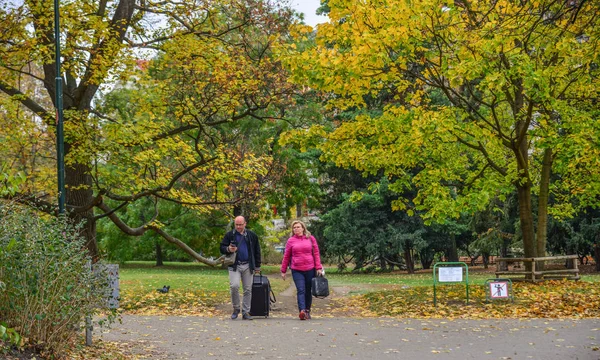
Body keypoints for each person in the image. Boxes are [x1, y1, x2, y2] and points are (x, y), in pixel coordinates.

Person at [280, 220, 323, 320]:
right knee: (301, 290)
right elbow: (286, 256)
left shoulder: (311, 239)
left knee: (308, 290)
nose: (296, 229)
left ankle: (307, 310)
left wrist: (318, 267)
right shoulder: (291, 240)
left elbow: (316, 253)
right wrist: (283, 270)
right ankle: (302, 311)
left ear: (303, 228)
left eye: (298, 227)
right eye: (294, 228)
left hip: (310, 268)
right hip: (297, 269)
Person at [220, 215, 261, 320]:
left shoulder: (251, 235)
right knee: (234, 286)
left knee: (247, 289)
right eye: (236, 224)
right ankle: (236, 308)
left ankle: (246, 312)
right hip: (235, 265)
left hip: (248, 265)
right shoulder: (230, 235)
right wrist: (228, 249)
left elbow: (257, 251)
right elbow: (222, 247)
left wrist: (257, 266)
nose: (238, 227)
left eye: (240, 224)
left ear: (245, 224)